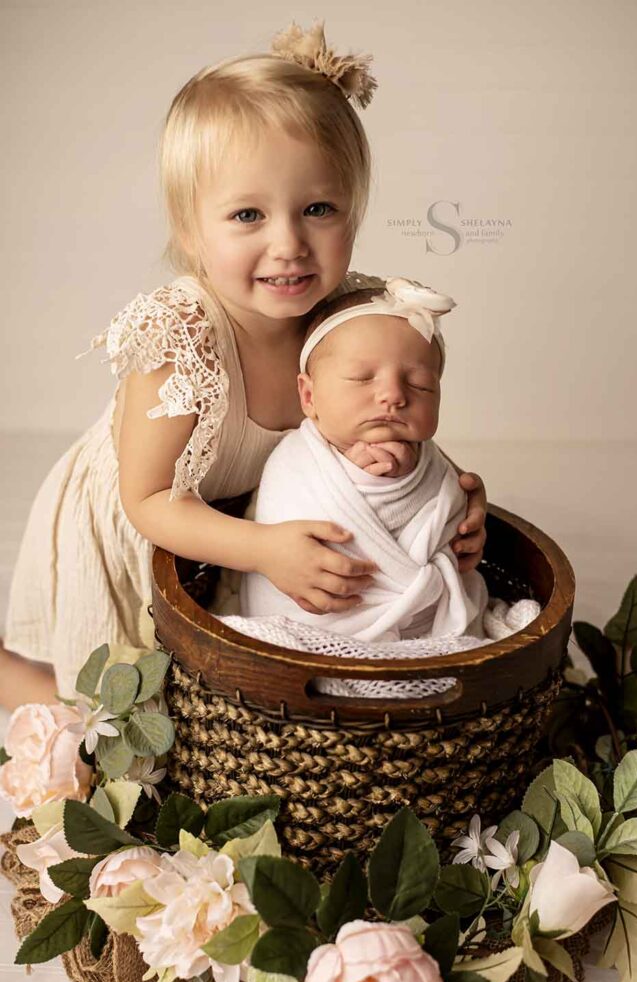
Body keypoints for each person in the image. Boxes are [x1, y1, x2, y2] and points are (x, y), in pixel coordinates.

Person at [0, 22, 487, 709]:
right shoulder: (181, 342)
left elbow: (387, 421)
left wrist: (453, 496)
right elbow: (148, 501)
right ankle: (14, 678)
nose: (288, 244)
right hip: (158, 524)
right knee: (108, 717)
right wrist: (262, 550)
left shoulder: (354, 317)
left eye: (318, 208)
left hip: (257, 519)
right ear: (190, 231)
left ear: (355, 211)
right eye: (248, 215)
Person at [240, 278, 489, 642]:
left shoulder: (435, 462)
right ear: (309, 397)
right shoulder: (294, 464)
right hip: (322, 624)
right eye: (361, 378)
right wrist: (364, 480)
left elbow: (449, 530)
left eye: (420, 385)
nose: (393, 395)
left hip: (423, 624)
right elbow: (297, 535)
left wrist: (451, 502)